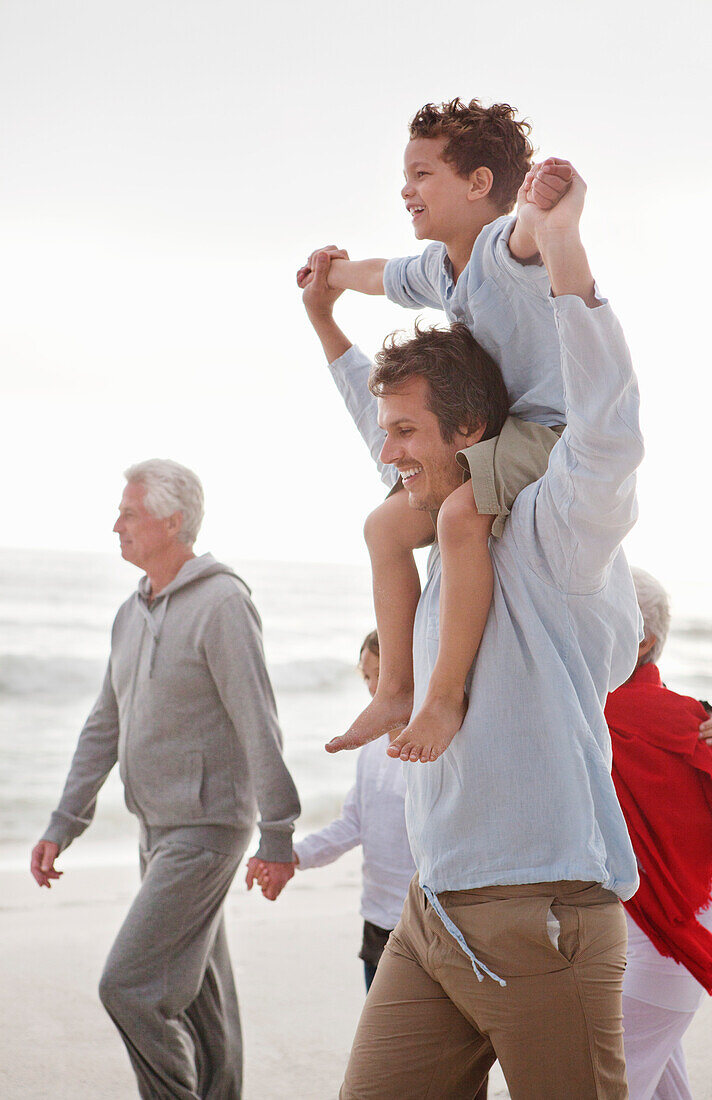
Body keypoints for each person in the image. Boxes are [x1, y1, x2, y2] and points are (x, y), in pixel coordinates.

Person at [304, 163, 644, 1099]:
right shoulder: (431, 525)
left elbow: (606, 433)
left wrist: (566, 251)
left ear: (468, 436)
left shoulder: (549, 532)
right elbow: (375, 424)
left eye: (407, 433)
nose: (388, 452)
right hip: (433, 915)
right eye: (387, 432)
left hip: (542, 914)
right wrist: (326, 325)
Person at [298, 100, 571, 766]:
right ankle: (396, 686)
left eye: (422, 174)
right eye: (404, 175)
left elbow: (528, 237)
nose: (405, 188)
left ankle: (442, 697)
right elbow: (375, 275)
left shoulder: (500, 250)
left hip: (546, 431)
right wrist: (329, 278)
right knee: (384, 526)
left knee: (457, 514)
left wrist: (542, 204)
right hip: (489, 436)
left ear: (478, 185)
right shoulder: (433, 268)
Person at [30, 459, 300, 1100]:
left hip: (206, 831)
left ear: (172, 521)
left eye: (129, 512)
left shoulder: (223, 604)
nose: (115, 524)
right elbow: (104, 726)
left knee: (128, 986)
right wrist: (63, 823)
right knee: (206, 1001)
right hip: (156, 829)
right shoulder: (131, 613)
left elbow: (259, 722)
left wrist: (279, 834)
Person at [605, 567, 712, 1100]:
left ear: (643, 640)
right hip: (664, 938)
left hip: (662, 944)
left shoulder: (614, 714)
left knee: (604, 1089)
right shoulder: (687, 719)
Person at [251, 631, 416, 992]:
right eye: (367, 676)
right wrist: (292, 856)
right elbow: (352, 824)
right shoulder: (371, 749)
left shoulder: (430, 751)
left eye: (383, 675)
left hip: (422, 922)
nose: (374, 688)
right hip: (376, 919)